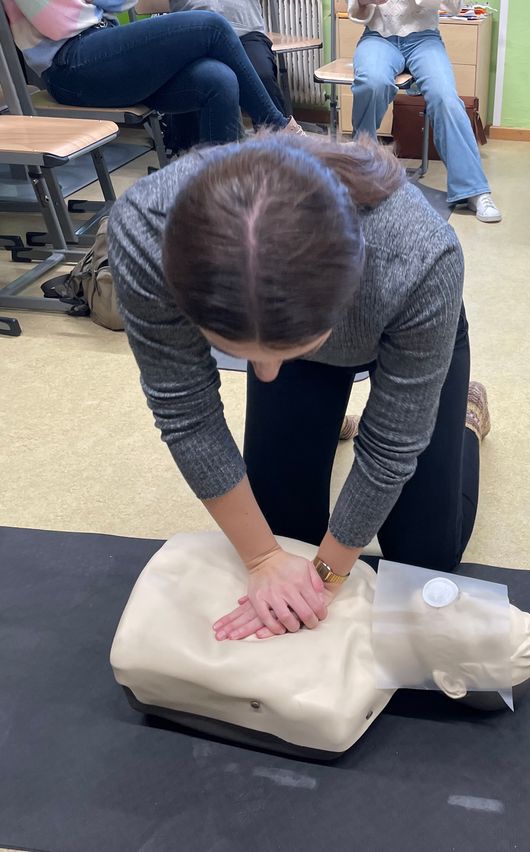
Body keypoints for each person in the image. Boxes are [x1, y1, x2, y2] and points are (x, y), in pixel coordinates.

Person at [108, 132, 492, 644]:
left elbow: (393, 447)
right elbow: (185, 410)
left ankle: (463, 416)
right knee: (286, 527)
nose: (263, 375)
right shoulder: (145, 230)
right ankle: (325, 413)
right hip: (296, 322)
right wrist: (264, 557)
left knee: (424, 558)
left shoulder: (418, 258)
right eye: (239, 354)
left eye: (280, 354)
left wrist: (324, 579)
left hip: (406, 329)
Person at [111, 531, 530, 757]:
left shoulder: (336, 700)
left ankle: (465, 422)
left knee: (432, 539)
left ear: (451, 681)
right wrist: (263, 559)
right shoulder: (364, 580)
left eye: (477, 620)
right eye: (488, 601)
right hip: (179, 576)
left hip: (152, 629)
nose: (463, 596)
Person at [2, 0, 296, 145]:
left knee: (219, 79)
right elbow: (57, 22)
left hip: (99, 45)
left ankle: (220, 203)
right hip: (69, 64)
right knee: (211, 25)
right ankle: (282, 131)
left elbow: (121, 2)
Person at [348, 0, 501, 223]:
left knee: (445, 97)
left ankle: (473, 189)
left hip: (424, 39)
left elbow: (455, 6)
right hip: (377, 37)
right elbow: (355, 7)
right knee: (372, 83)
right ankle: (362, 173)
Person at [165, 0, 297, 152]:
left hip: (246, 31)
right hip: (196, 31)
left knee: (262, 76)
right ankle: (196, 158)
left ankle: (283, 150)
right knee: (205, 78)